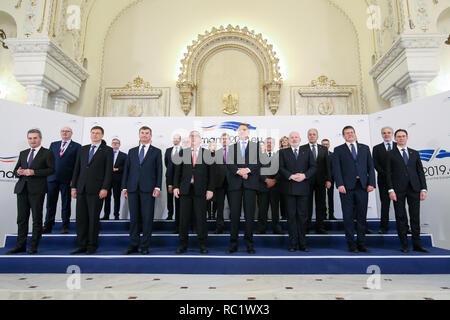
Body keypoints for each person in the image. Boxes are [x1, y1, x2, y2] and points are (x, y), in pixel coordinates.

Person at [7, 129, 55, 254]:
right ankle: (20, 245)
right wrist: (18, 172)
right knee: (21, 219)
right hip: (22, 189)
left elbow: (51, 170)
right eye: (30, 138)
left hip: (37, 190)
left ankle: (33, 246)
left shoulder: (47, 153)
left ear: (40, 139)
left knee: (36, 219)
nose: (32, 140)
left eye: (35, 138)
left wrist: (34, 172)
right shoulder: (23, 153)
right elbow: (15, 171)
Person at [332, 126, 376, 253]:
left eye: (351, 132)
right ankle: (351, 244)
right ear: (343, 136)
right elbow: (337, 169)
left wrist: (371, 183)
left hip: (362, 186)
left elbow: (370, 167)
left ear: (355, 134)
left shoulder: (365, 148)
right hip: (346, 188)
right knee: (348, 216)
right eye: (347, 133)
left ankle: (361, 243)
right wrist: (339, 184)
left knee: (362, 216)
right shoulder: (338, 150)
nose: (350, 135)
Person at [71, 126, 113, 255]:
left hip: (97, 190)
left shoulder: (107, 150)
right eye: (93, 133)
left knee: (93, 218)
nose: (95, 135)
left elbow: (108, 171)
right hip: (81, 188)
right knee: (81, 218)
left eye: (98, 133)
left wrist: (105, 188)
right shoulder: (83, 149)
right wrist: (74, 187)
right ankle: (81, 245)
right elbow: (77, 169)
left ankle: (92, 245)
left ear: (102, 135)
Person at [386, 129, 429, 253]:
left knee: (415, 217)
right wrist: (390, 190)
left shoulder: (414, 153)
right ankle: (404, 245)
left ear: (407, 137)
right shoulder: (390, 154)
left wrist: (423, 188)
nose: (401, 138)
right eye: (398, 136)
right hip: (397, 190)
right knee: (401, 217)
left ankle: (417, 244)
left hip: (414, 188)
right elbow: (388, 174)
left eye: (403, 136)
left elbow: (420, 172)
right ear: (395, 139)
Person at [122, 126, 162, 255]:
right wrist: (124, 187)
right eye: (142, 133)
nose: (144, 135)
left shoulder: (156, 151)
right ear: (139, 135)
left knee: (147, 218)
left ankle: (145, 245)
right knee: (134, 218)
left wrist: (157, 187)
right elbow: (127, 171)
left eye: (147, 133)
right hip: (132, 188)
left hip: (148, 189)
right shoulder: (132, 151)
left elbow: (159, 171)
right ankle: (133, 244)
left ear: (151, 135)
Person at [173, 131, 215, 254]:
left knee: (201, 219)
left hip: (201, 190)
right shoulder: (183, 152)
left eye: (195, 136)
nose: (193, 138)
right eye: (191, 136)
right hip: (185, 190)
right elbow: (177, 172)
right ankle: (182, 244)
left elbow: (212, 174)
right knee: (183, 219)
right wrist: (175, 186)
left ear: (200, 139)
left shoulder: (207, 153)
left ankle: (202, 244)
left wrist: (210, 189)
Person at [279, 131, 316, 252]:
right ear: (289, 140)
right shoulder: (283, 152)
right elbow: (280, 167)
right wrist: (290, 176)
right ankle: (293, 243)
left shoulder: (307, 151)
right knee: (291, 217)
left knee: (302, 217)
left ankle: (303, 243)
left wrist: (305, 175)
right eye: (292, 138)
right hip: (289, 188)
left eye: (296, 137)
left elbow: (313, 167)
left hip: (303, 188)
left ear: (300, 139)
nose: (294, 139)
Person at [226, 123, 260, 254]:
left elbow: (257, 163)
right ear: (237, 132)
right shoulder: (232, 147)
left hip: (250, 184)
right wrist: (239, 172)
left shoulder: (255, 147)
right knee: (234, 215)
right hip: (235, 185)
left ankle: (249, 244)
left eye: (244, 130)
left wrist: (247, 170)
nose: (242, 132)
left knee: (249, 216)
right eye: (240, 130)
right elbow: (229, 163)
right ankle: (233, 244)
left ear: (248, 132)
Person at [43, 127, 81, 234]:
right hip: (52, 178)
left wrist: (74, 180)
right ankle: (48, 225)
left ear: (71, 133)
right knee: (50, 203)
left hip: (67, 180)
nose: (64, 133)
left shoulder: (77, 147)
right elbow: (48, 161)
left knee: (66, 204)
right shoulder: (53, 144)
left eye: (67, 131)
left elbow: (77, 165)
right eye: (63, 131)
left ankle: (65, 226)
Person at [302, 129, 332, 234]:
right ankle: (306, 226)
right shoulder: (302, 148)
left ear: (317, 136)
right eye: (310, 134)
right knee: (307, 205)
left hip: (321, 181)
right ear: (307, 136)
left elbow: (328, 166)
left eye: (314, 134)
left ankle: (320, 227)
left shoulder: (324, 149)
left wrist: (329, 179)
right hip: (306, 181)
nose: (312, 136)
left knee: (321, 204)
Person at [372, 127, 397, 234]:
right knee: (385, 204)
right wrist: (387, 175)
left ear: (392, 134)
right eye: (384, 133)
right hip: (383, 180)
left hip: (398, 181)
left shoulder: (398, 146)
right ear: (382, 135)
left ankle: (404, 227)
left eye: (389, 133)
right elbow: (375, 164)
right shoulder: (376, 148)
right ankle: (384, 227)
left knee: (399, 205)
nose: (386, 135)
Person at [257, 137, 284, 234]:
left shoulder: (279, 156)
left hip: (275, 187)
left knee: (275, 209)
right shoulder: (258, 156)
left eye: (271, 143)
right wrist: (266, 179)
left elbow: (281, 169)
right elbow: (257, 170)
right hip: (262, 187)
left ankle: (276, 228)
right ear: (264, 145)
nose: (269, 144)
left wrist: (275, 180)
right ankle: (261, 228)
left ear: (274, 144)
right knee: (262, 209)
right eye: (267, 143)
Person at [101, 138, 127, 220]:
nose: (115, 144)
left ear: (119, 145)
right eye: (113, 143)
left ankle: (116, 215)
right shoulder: (107, 154)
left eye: (117, 143)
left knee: (117, 197)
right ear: (111, 144)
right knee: (107, 198)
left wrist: (118, 169)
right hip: (107, 179)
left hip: (118, 179)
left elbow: (126, 168)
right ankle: (106, 215)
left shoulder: (124, 155)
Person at [213, 133, 231, 234]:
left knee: (234, 206)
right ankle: (219, 227)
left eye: (226, 139)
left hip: (232, 183)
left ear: (229, 140)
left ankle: (234, 228)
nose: (224, 140)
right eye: (223, 139)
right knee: (219, 207)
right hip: (219, 184)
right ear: (220, 141)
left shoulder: (234, 152)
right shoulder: (217, 153)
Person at [164, 134, 182, 233]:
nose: (175, 140)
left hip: (179, 179)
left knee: (178, 199)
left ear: (180, 140)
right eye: (174, 138)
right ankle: (170, 214)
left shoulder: (183, 151)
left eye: (177, 139)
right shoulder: (168, 150)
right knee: (169, 196)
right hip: (169, 177)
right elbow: (167, 163)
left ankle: (178, 217)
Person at [321, 139, 336, 220]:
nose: (325, 146)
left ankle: (331, 215)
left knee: (331, 198)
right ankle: (323, 214)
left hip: (331, 179)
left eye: (327, 144)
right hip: (321, 179)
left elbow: (334, 167)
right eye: (323, 144)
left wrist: (330, 179)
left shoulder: (333, 155)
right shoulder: (318, 155)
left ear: (329, 145)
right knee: (322, 198)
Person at [278, 136, 290, 220]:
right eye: (283, 141)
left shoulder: (292, 151)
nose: (284, 142)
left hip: (291, 178)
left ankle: (290, 214)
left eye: (286, 140)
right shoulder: (278, 152)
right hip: (281, 178)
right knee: (282, 198)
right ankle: (283, 215)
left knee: (290, 198)